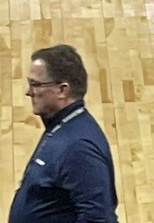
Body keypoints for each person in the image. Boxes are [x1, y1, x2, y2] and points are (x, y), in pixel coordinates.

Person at [8, 44, 118, 223]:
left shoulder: (79, 148)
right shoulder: (60, 127)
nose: (29, 92)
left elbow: (98, 218)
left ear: (62, 90)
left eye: (35, 85)